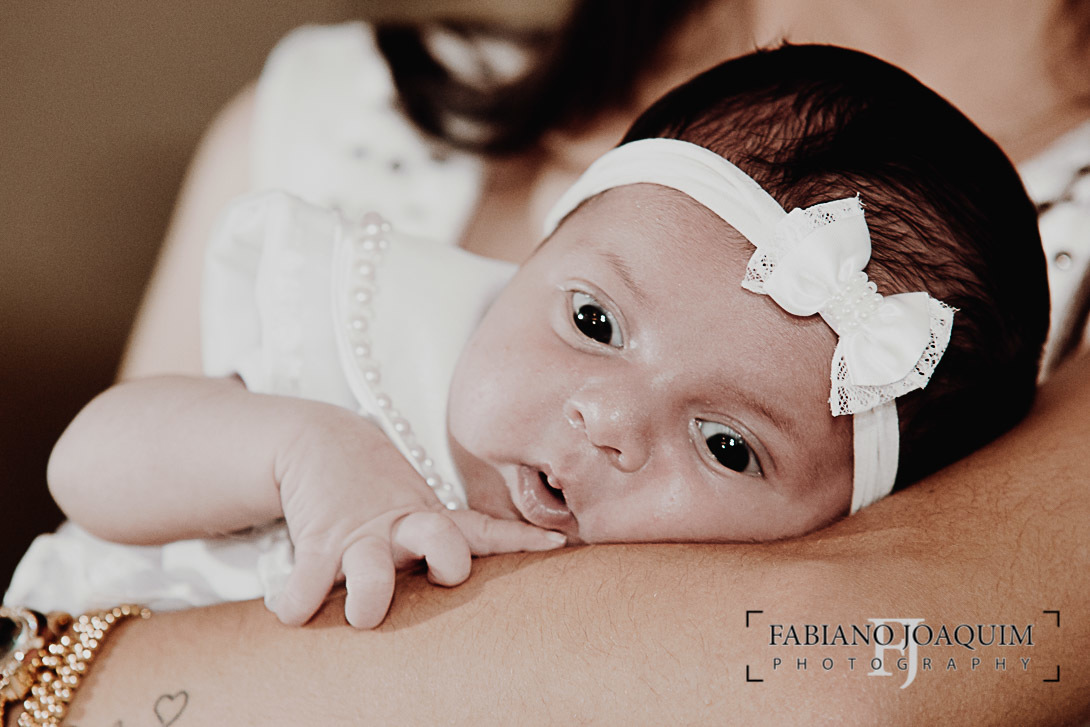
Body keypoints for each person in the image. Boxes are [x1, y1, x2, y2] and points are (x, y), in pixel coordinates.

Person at [4, 0, 1090, 723]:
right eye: (594, 322)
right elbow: (86, 468)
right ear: (528, 260)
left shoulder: (726, 626)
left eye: (726, 445)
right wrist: (299, 451)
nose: (609, 420)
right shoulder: (362, 353)